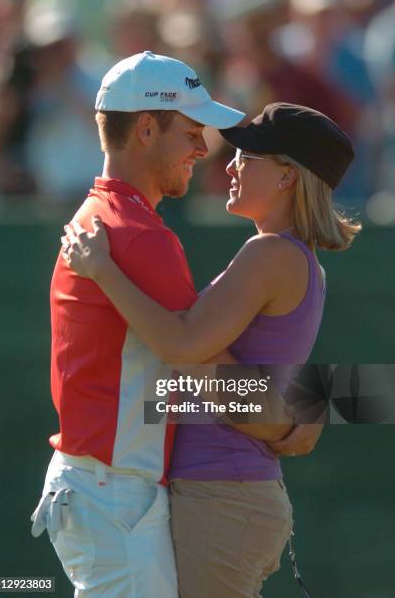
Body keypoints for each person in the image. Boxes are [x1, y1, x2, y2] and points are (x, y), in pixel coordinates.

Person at [62, 102, 361, 597]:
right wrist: (292, 418)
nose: (230, 165)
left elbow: (181, 347)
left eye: (248, 157)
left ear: (288, 177)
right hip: (231, 495)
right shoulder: (290, 257)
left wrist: (102, 270)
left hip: (224, 496)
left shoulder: (269, 254)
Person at [30, 50, 245, 597]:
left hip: (106, 492)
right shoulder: (137, 233)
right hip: (113, 495)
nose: (204, 148)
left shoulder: (106, 219)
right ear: (146, 129)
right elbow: (195, 362)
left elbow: (157, 383)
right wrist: (323, 404)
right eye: (192, 131)